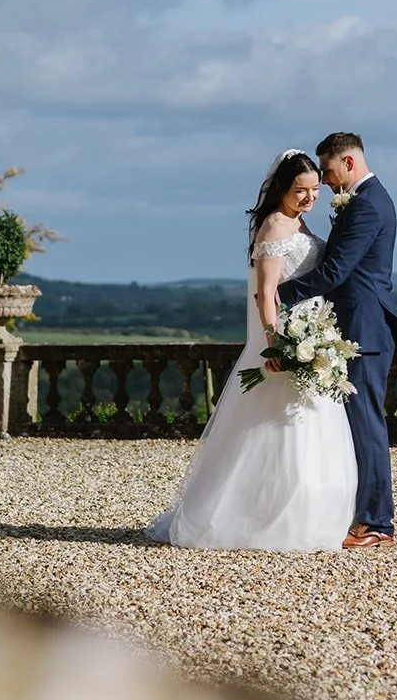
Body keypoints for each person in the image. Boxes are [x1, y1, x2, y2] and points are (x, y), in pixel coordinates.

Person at [149, 149, 357, 551]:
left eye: (315, 190)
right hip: (285, 337)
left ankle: (312, 516)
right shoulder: (275, 228)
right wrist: (273, 343)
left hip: (312, 332)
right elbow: (265, 294)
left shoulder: (299, 223)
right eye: (301, 190)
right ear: (282, 187)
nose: (310, 198)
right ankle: (260, 517)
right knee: (276, 430)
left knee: (311, 426)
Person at [280, 133, 397, 550]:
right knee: (352, 428)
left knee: (367, 427)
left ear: (349, 163)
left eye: (328, 168)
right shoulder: (364, 199)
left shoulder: (368, 205)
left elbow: (336, 271)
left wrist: (277, 295)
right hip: (353, 326)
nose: (324, 178)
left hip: (365, 330)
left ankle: (378, 523)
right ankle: (358, 514)